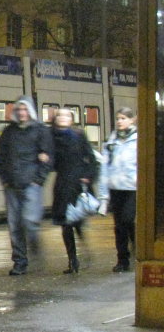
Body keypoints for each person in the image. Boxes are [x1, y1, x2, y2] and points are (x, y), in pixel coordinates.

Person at [0, 96, 54, 275]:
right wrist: (5, 179)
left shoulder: (40, 131)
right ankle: (19, 262)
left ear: (30, 111)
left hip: (31, 185)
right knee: (14, 225)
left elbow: (48, 157)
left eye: (25, 109)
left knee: (29, 221)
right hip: (12, 185)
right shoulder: (8, 132)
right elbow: (1, 156)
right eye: (19, 110)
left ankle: (34, 240)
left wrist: (38, 180)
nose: (22, 113)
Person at [50, 107, 98, 274]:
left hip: (78, 183)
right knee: (65, 223)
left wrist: (88, 177)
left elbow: (91, 158)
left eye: (66, 115)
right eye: (59, 115)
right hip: (63, 184)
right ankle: (73, 260)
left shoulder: (78, 135)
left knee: (76, 222)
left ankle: (84, 249)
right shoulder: (51, 137)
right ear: (55, 119)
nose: (62, 118)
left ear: (72, 119)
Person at [98, 107, 137, 272]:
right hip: (115, 187)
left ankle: (136, 243)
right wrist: (103, 195)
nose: (120, 121)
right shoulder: (111, 142)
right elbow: (104, 168)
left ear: (132, 120)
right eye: (118, 118)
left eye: (123, 118)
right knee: (119, 225)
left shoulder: (138, 140)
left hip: (132, 188)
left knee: (127, 220)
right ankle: (122, 260)